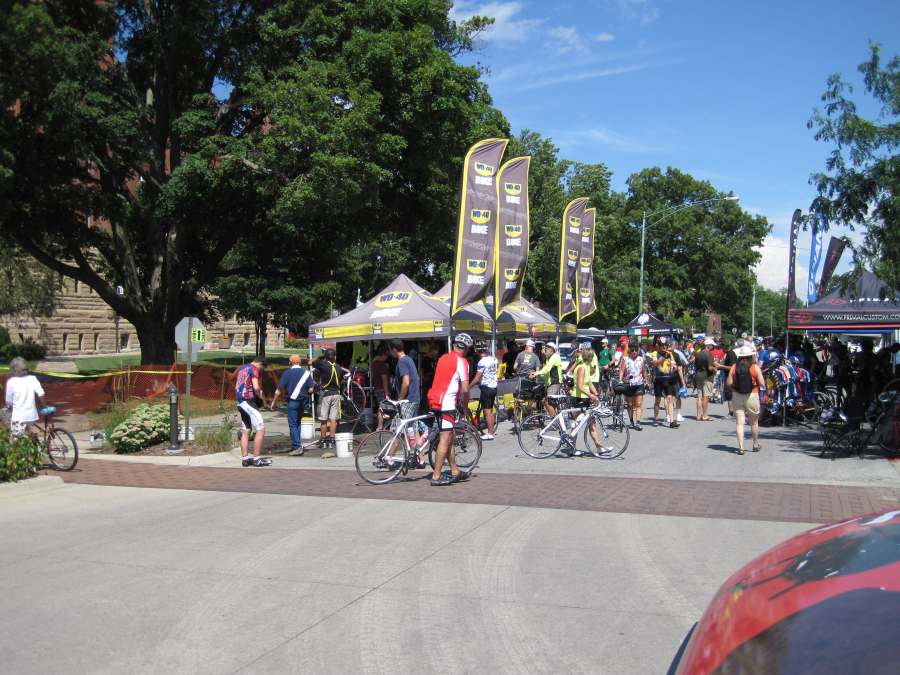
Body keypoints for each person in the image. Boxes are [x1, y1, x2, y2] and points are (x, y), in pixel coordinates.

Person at [426, 333, 473, 486]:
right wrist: (465, 407)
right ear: (466, 349)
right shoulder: (462, 361)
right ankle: (436, 476)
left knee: (450, 436)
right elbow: (465, 389)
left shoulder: (443, 358)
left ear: (453, 345)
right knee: (445, 439)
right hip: (447, 405)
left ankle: (454, 471)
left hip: (435, 400)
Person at [270, 354, 314, 455]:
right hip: (303, 401)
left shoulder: (287, 373)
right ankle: (297, 444)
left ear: (290, 362)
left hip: (292, 401)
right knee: (298, 423)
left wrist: (273, 402)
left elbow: (279, 389)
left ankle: (297, 447)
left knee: (293, 424)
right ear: (299, 362)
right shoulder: (306, 373)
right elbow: (311, 389)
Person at [726, 343, 766, 455]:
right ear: (750, 356)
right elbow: (762, 384)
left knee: (739, 423)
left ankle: (741, 447)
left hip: (737, 396)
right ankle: (755, 443)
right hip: (752, 395)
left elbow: (729, 383)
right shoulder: (755, 367)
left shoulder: (734, 367)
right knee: (753, 423)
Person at [235, 357, 270, 466]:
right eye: (261, 368)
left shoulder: (242, 368)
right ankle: (256, 458)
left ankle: (245, 458)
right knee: (261, 429)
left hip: (240, 402)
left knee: (246, 430)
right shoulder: (253, 368)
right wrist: (262, 398)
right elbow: (255, 386)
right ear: (260, 364)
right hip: (247, 402)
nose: (260, 370)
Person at [4, 357, 47, 438]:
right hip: (32, 416)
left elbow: (8, 401)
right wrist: (45, 407)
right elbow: (41, 394)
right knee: (27, 434)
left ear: (14, 370)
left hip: (19, 417)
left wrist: (10, 407)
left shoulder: (11, 382)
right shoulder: (32, 378)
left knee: (16, 442)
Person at [313, 348, 344, 455]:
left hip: (326, 394)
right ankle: (332, 439)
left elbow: (314, 362)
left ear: (326, 357)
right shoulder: (338, 367)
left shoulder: (323, 365)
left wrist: (322, 357)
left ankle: (322, 439)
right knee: (333, 419)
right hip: (336, 394)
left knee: (323, 419)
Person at [389, 338, 422, 437]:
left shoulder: (402, 361)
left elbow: (406, 382)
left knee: (398, 432)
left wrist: (400, 398)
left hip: (408, 400)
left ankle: (390, 453)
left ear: (394, 350)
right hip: (415, 398)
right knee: (414, 428)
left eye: (390, 350)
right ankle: (419, 452)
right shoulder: (409, 359)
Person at [649, 338, 682, 428]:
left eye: (665, 345)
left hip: (668, 379)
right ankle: (656, 419)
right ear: (658, 346)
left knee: (670, 399)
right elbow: (655, 363)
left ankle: (672, 421)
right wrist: (664, 358)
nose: (664, 347)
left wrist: (674, 366)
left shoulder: (670, 354)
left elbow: (673, 364)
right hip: (659, 379)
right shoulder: (655, 353)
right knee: (658, 400)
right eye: (662, 345)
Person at [470, 343, 499, 440]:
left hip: (486, 388)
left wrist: (468, 387)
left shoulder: (481, 362)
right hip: (494, 387)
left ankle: (490, 433)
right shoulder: (494, 359)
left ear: (478, 352)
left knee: (487, 412)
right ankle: (491, 431)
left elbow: (477, 378)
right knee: (490, 410)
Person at [619, 338, 646, 430]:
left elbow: (644, 370)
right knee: (630, 404)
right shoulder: (625, 359)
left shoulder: (641, 359)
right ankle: (631, 422)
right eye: (632, 350)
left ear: (638, 349)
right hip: (628, 384)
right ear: (630, 350)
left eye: (636, 349)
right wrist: (620, 380)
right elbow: (622, 371)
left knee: (638, 404)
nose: (634, 351)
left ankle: (638, 423)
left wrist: (646, 381)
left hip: (639, 384)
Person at [530, 341, 563, 416]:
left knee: (547, 402)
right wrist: (537, 375)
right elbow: (546, 371)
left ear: (552, 349)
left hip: (554, 383)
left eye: (546, 349)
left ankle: (555, 422)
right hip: (549, 383)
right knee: (551, 403)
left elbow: (547, 369)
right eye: (545, 349)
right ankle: (556, 421)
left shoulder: (555, 357)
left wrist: (536, 373)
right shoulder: (549, 358)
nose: (545, 350)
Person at [694, 339, 716, 421]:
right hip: (706, 377)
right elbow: (710, 368)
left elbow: (695, 365)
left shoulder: (698, 354)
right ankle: (705, 415)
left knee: (699, 396)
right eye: (711, 345)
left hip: (698, 376)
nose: (712, 346)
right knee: (705, 397)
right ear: (708, 345)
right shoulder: (708, 354)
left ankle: (698, 415)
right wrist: (715, 368)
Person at [371, 344, 392, 431]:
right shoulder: (382, 365)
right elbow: (384, 380)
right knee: (382, 408)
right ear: (385, 354)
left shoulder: (374, 363)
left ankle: (381, 425)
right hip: (382, 389)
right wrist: (387, 393)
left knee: (381, 407)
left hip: (377, 388)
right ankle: (380, 426)